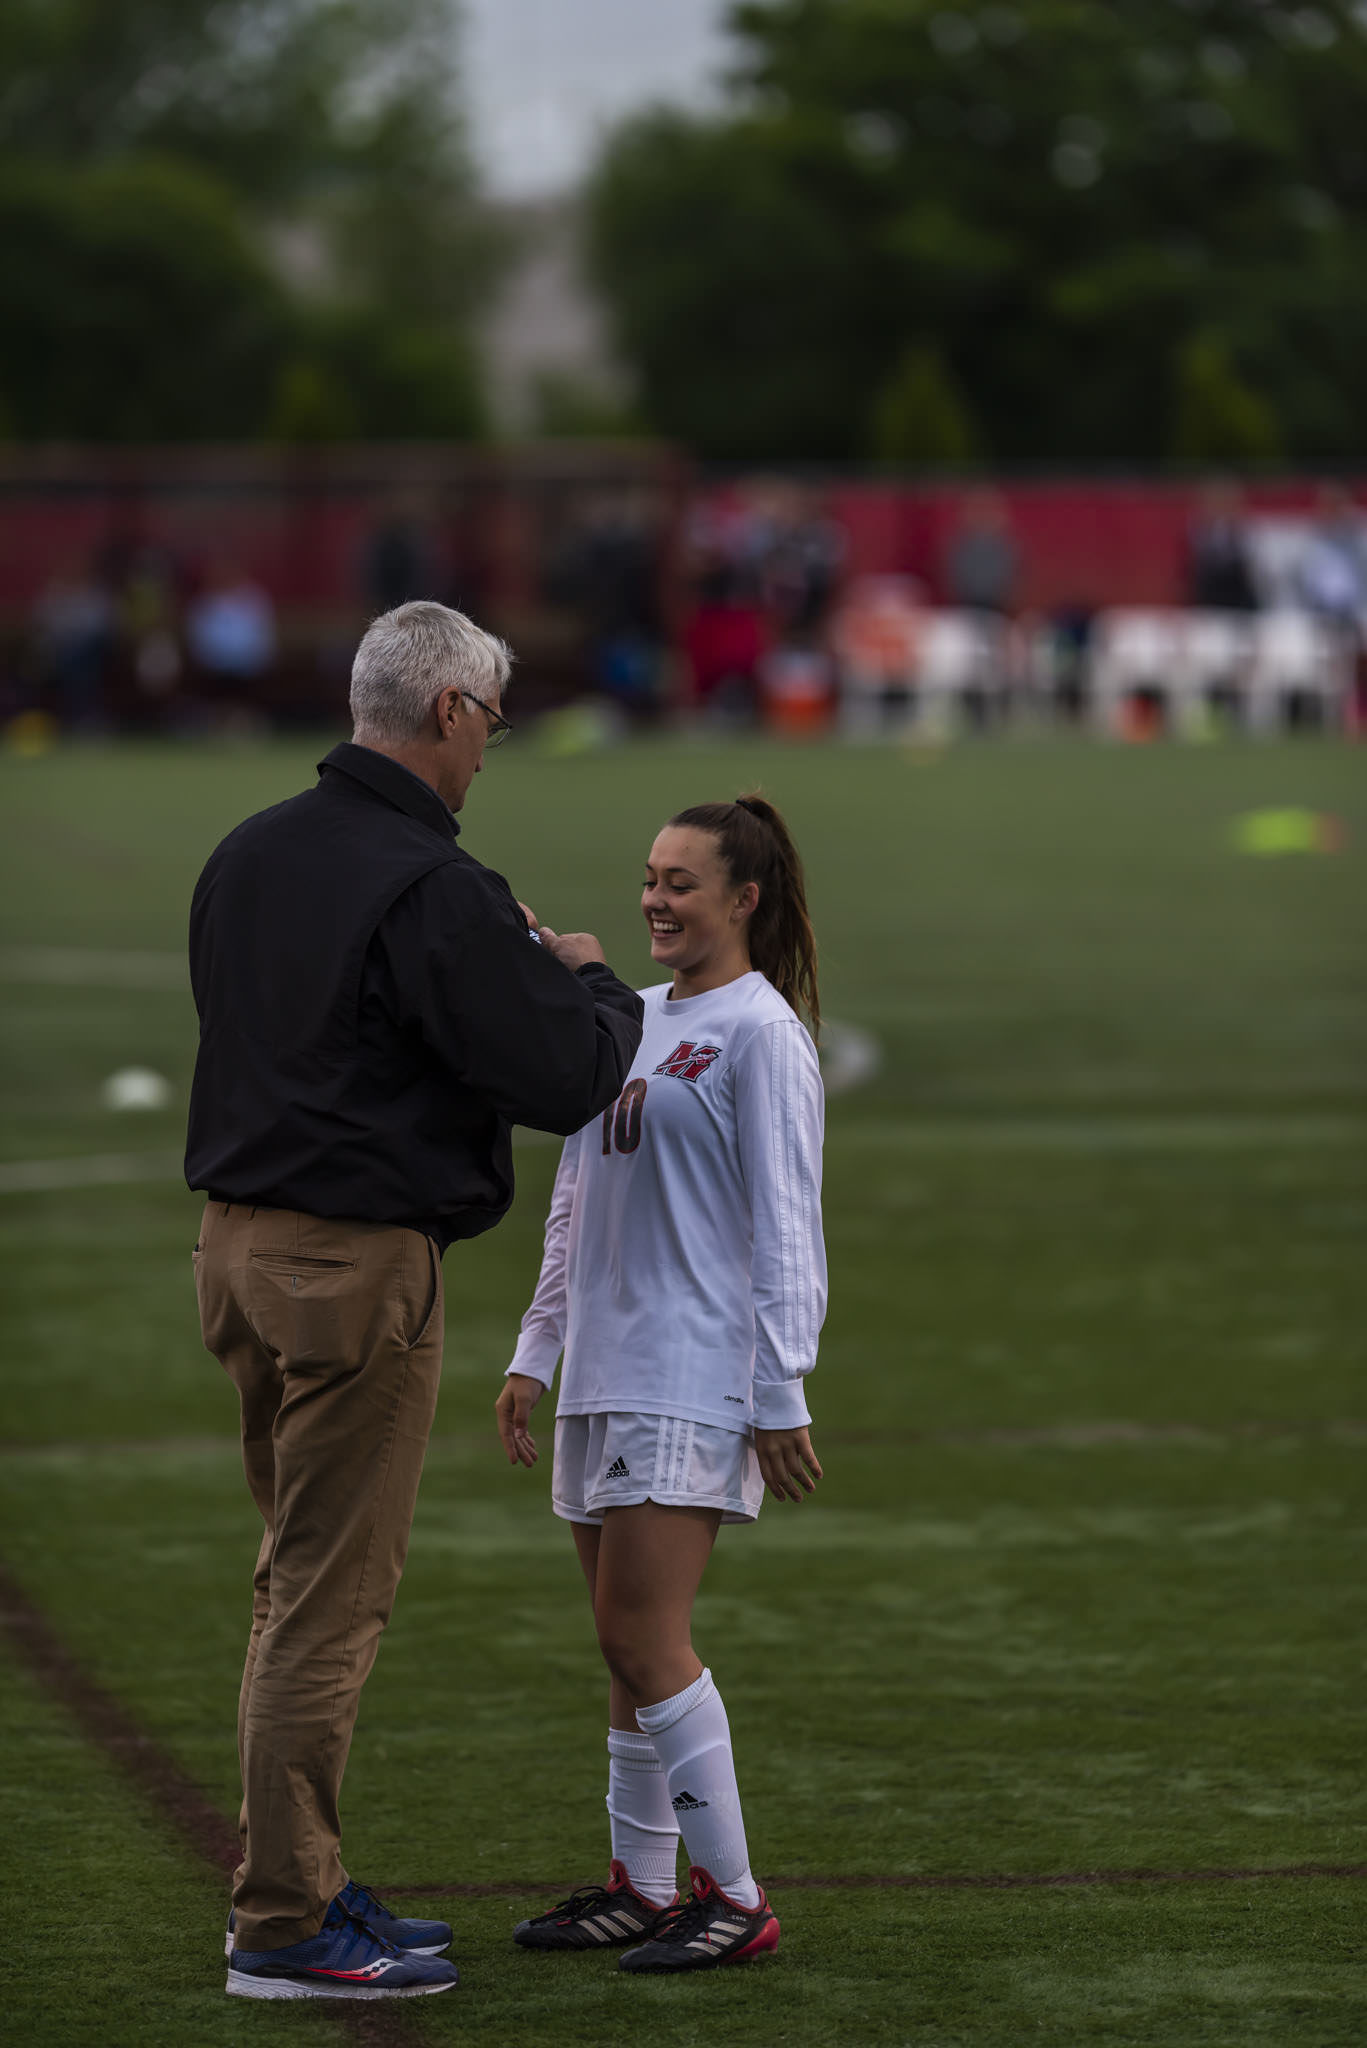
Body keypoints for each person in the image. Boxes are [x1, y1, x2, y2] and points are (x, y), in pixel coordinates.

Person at [186, 600, 644, 2002]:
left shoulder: (249, 852)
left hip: (237, 1248)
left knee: (289, 1578)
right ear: (447, 710)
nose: (487, 753)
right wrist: (588, 983)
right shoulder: (428, 882)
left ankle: (302, 1879)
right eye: (489, 723)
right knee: (330, 1600)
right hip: (348, 1267)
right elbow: (565, 1077)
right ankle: (282, 1925)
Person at [496, 793, 826, 1973]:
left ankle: (732, 1892)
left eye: (681, 882)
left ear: (744, 899)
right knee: (617, 1646)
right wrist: (537, 1348)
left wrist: (779, 1385)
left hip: (690, 1371)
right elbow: (578, 1196)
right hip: (604, 1366)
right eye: (649, 877)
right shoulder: (624, 1017)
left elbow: (788, 1223)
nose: (655, 899)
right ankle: (638, 1884)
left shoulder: (760, 1032)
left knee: (647, 1634)